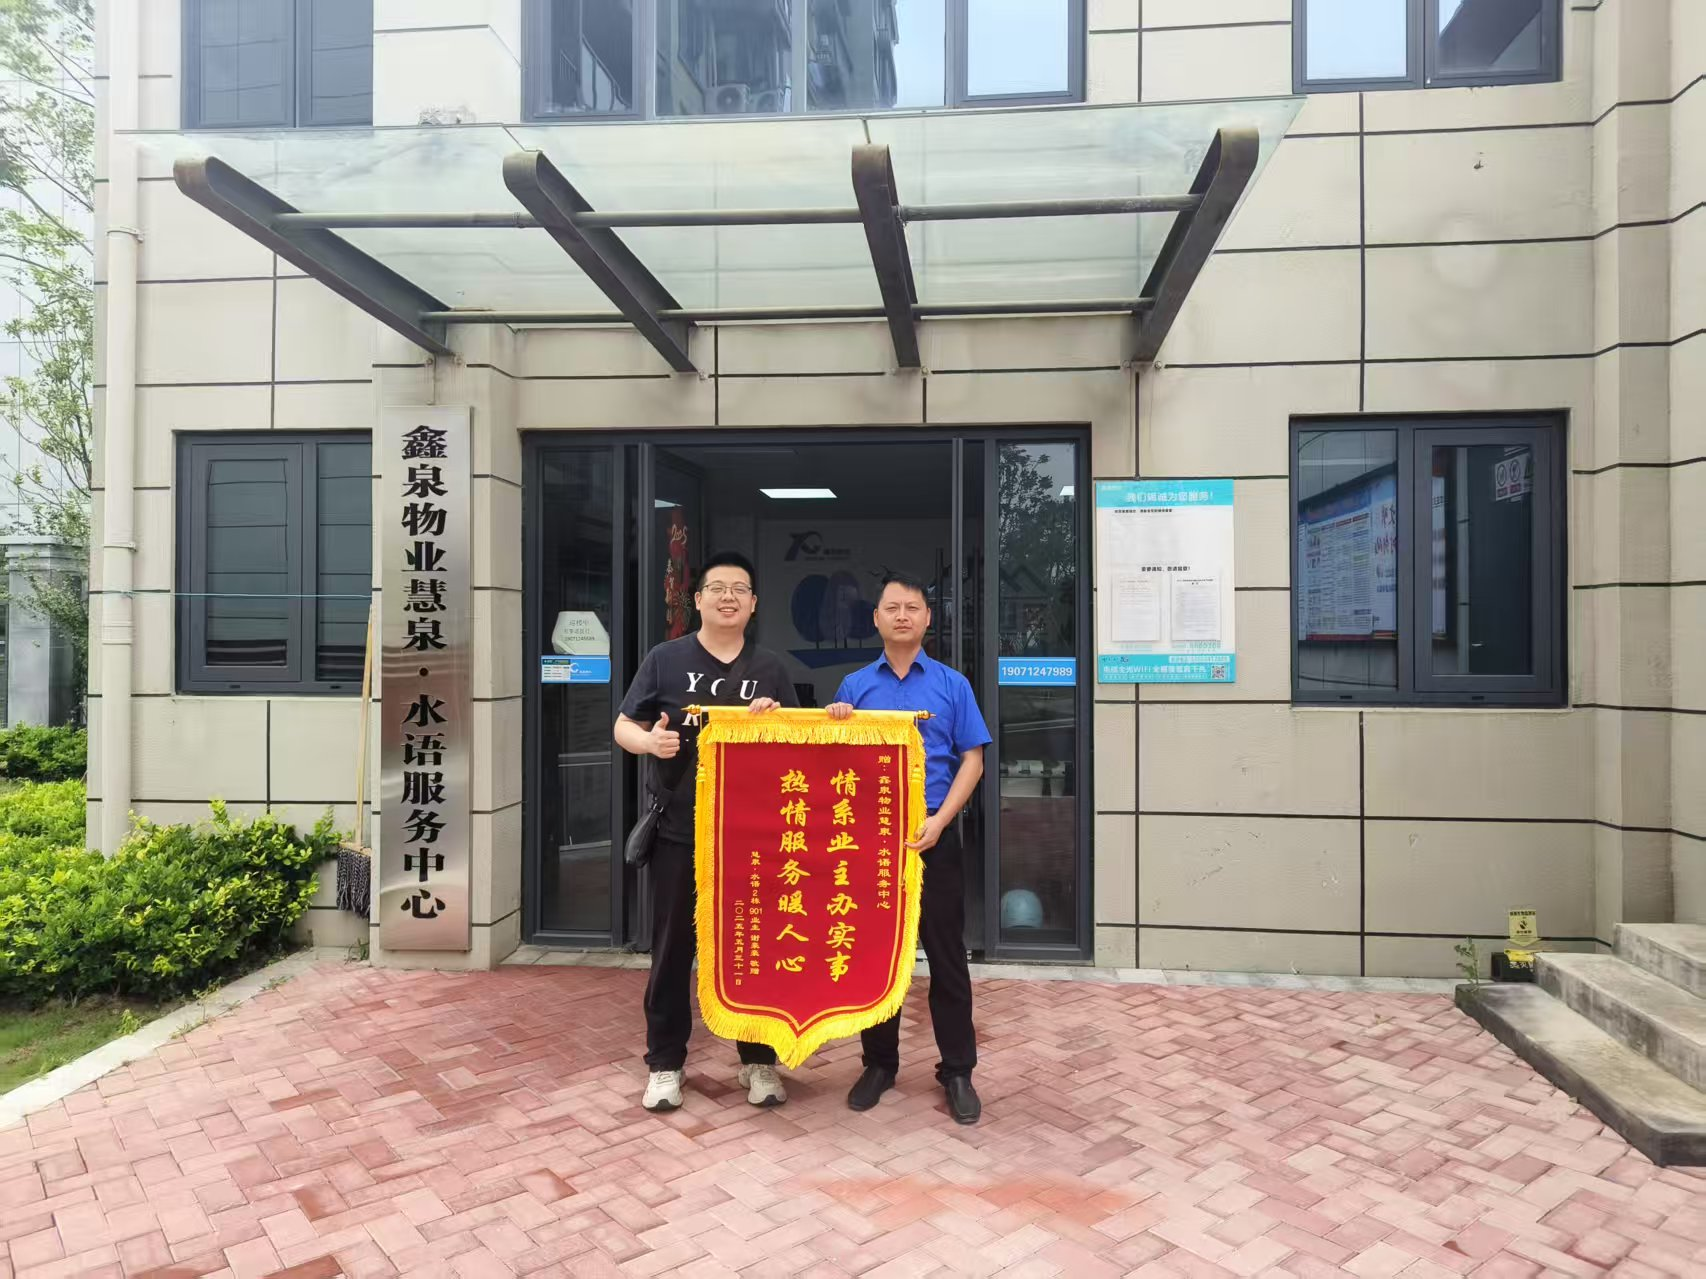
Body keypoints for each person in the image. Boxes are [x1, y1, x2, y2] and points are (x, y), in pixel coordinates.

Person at [615, 551, 798, 1112]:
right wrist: (650, 742)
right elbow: (623, 724)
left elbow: (797, 744)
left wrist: (774, 723)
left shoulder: (770, 668)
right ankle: (665, 1064)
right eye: (717, 588)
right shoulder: (665, 659)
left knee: (752, 949)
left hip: (753, 839)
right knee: (672, 950)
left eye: (739, 589)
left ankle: (758, 1061)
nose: (728, 597)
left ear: (753, 603)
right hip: (680, 832)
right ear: (697, 600)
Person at [825, 571, 991, 1125]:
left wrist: (941, 821)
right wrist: (837, 725)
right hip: (872, 845)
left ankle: (958, 1071)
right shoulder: (854, 687)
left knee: (947, 958)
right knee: (876, 955)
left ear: (927, 618)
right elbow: (833, 767)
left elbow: (973, 759)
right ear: (875, 618)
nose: (902, 615)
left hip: (934, 838)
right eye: (892, 607)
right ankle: (879, 1064)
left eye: (912, 607)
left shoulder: (952, 685)